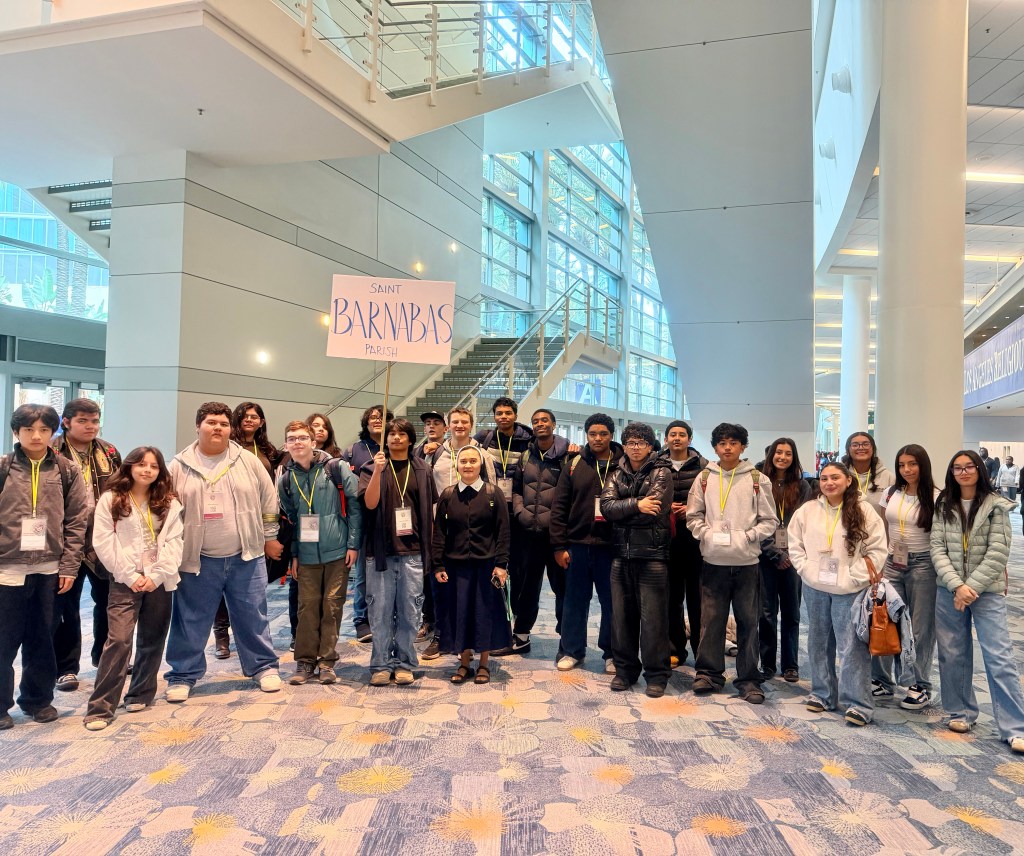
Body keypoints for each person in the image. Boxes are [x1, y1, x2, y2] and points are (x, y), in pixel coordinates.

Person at [163, 402, 284, 702]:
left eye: (223, 423)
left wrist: (270, 536)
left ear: (231, 429)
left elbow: (269, 501)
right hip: (197, 559)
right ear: (198, 426)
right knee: (189, 619)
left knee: (253, 615)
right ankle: (182, 674)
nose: (218, 428)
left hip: (246, 555)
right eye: (211, 422)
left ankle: (263, 666)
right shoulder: (178, 465)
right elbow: (164, 509)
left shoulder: (248, 461)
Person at [0, 404, 90, 731]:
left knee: (43, 639)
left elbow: (77, 521)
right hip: (7, 569)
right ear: (16, 432)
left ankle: (37, 700)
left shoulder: (66, 470)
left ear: (53, 432)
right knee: (4, 641)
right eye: (28, 430)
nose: (36, 436)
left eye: (43, 430)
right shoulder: (3, 467)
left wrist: (69, 567)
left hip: (50, 569)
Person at [84, 447, 184, 730]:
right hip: (124, 580)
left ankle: (140, 693)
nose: (147, 470)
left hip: (159, 580)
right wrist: (129, 575)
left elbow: (175, 541)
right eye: (141, 464)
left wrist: (156, 575)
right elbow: (103, 541)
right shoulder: (111, 499)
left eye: (153, 466)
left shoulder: (168, 502)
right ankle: (100, 707)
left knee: (152, 638)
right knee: (118, 640)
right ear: (129, 467)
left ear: (160, 471)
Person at [931, 450, 1024, 753]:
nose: (963, 472)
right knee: (952, 653)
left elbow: (998, 552)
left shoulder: (996, 505)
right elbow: (937, 548)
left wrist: (970, 587)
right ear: (951, 473)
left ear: (979, 470)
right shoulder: (944, 504)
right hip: (949, 590)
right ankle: (960, 712)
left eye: (969, 466)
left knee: (999, 656)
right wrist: (957, 585)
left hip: (987, 592)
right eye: (957, 468)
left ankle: (1014, 726)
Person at [686, 423, 778, 704]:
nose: (727, 448)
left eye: (733, 443)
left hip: (747, 563)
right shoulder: (704, 477)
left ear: (742, 446)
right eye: (722, 443)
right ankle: (708, 674)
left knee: (748, 622)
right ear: (715, 447)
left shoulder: (757, 479)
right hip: (713, 562)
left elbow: (770, 521)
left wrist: (747, 537)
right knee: (710, 621)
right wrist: (707, 535)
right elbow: (693, 516)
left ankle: (749, 678)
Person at [788, 461, 886, 726]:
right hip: (815, 587)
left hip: (849, 590)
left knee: (851, 646)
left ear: (848, 480)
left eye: (835, 478)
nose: (829, 483)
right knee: (818, 642)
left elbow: (878, 550)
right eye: (824, 478)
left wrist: (853, 577)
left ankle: (859, 704)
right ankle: (823, 694)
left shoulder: (864, 510)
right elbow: (794, 543)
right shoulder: (808, 510)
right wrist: (806, 570)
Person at [278, 420, 362, 685]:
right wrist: (294, 555)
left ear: (313, 442)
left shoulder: (334, 468)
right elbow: (292, 520)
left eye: (302, 438)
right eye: (292, 439)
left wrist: (353, 544)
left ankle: (326, 661)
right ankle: (305, 662)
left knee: (332, 607)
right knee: (306, 609)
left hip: (337, 551)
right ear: (286, 445)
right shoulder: (286, 480)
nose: (297, 442)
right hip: (306, 555)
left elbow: (355, 506)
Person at [358, 418, 437, 686]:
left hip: (413, 553)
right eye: (391, 434)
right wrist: (378, 471)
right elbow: (370, 504)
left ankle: (404, 663)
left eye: (402, 434)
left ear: (410, 439)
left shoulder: (423, 469)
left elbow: (429, 512)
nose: (395, 438)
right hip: (380, 552)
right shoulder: (372, 467)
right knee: (379, 613)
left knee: (410, 612)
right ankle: (380, 664)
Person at [51, 398, 122, 693]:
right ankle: (66, 668)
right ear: (66, 422)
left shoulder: (109, 451)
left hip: (101, 539)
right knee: (65, 606)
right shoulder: (51, 451)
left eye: (94, 421)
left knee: (108, 601)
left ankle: (104, 658)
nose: (90, 426)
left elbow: (121, 489)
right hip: (64, 540)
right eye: (83, 421)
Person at [600, 422, 673, 697]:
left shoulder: (662, 471)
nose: (635, 447)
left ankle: (657, 675)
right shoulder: (616, 472)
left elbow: (655, 510)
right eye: (630, 442)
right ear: (624, 445)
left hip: (653, 555)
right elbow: (606, 508)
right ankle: (625, 671)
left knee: (653, 621)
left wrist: (626, 510)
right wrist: (637, 504)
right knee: (621, 619)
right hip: (621, 554)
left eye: (641, 442)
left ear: (650, 446)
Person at [421, 406, 496, 659]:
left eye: (464, 421)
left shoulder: (482, 454)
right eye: (455, 422)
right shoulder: (436, 453)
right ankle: (441, 635)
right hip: (443, 528)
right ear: (448, 426)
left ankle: (473, 640)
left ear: (471, 425)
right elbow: (428, 488)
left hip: (475, 531)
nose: (459, 425)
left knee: (472, 590)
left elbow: (493, 490)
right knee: (440, 585)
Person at [213, 401, 286, 660]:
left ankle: (250, 638)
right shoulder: (227, 448)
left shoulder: (269, 451)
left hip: (258, 523)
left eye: (255, 417)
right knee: (221, 582)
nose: (249, 420)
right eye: (244, 416)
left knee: (250, 587)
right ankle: (221, 635)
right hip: (228, 521)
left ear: (261, 422)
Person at [550, 413, 622, 673]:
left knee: (612, 603)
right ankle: (572, 650)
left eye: (603, 434)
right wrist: (559, 546)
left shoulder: (623, 465)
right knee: (574, 601)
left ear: (611, 435)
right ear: (586, 435)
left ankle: (612, 654)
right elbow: (559, 507)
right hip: (577, 544)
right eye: (592, 434)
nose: (597, 439)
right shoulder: (574, 464)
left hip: (611, 547)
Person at [433, 446, 510, 684]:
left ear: (481, 465)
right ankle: (464, 663)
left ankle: (484, 664)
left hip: (486, 566)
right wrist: (438, 565)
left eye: (473, 461)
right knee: (461, 614)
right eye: (463, 461)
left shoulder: (493, 493)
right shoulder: (448, 495)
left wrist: (501, 564)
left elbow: (503, 532)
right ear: (457, 465)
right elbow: (439, 533)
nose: (468, 465)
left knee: (484, 614)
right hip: (455, 568)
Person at [870, 444, 938, 709]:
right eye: (902, 465)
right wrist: (880, 562)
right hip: (891, 563)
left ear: (923, 465)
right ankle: (882, 680)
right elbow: (883, 528)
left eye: (912, 464)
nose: (907, 469)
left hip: (923, 565)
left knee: (921, 628)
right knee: (884, 620)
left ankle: (920, 685)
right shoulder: (890, 493)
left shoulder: (936, 496)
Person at [505, 408, 569, 656]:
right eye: (535, 421)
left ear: (554, 424)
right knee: (526, 587)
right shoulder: (526, 456)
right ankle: (521, 635)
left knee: (562, 588)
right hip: (528, 534)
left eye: (544, 420)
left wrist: (558, 522)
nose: (540, 424)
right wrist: (520, 512)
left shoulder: (568, 456)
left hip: (556, 536)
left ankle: (567, 640)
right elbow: (517, 489)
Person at [758, 437, 813, 683]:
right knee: (766, 613)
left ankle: (790, 665)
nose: (782, 457)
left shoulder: (802, 486)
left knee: (792, 613)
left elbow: (805, 524)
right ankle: (767, 663)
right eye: (778, 452)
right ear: (771, 455)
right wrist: (773, 552)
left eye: (788, 453)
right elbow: (754, 520)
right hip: (765, 557)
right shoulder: (760, 483)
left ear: (794, 457)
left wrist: (790, 554)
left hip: (793, 558)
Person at [343, 404, 392, 644]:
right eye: (372, 417)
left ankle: (389, 615)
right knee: (363, 572)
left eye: (382, 417)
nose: (377, 420)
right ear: (366, 422)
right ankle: (361, 619)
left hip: (390, 518)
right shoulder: (354, 451)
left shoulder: (394, 447)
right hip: (363, 518)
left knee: (391, 570)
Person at [660, 420, 706, 668]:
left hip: (696, 541)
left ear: (689, 439)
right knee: (671, 598)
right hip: (667, 540)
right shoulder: (656, 464)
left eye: (682, 434)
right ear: (666, 439)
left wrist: (691, 509)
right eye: (672, 434)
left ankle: (701, 650)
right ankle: (675, 648)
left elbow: (714, 501)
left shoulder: (704, 467)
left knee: (698, 600)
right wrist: (667, 508)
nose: (677, 438)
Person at [475, 397, 533, 504]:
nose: (503, 416)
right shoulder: (484, 438)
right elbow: (462, 447)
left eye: (508, 413)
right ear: (494, 417)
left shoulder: (527, 440)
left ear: (515, 416)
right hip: (489, 499)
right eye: (499, 413)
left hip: (518, 500)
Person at [842, 432, 895, 517]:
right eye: (855, 445)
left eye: (866, 444)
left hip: (879, 525)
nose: (861, 448)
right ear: (848, 450)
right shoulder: (839, 476)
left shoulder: (889, 477)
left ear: (873, 448)